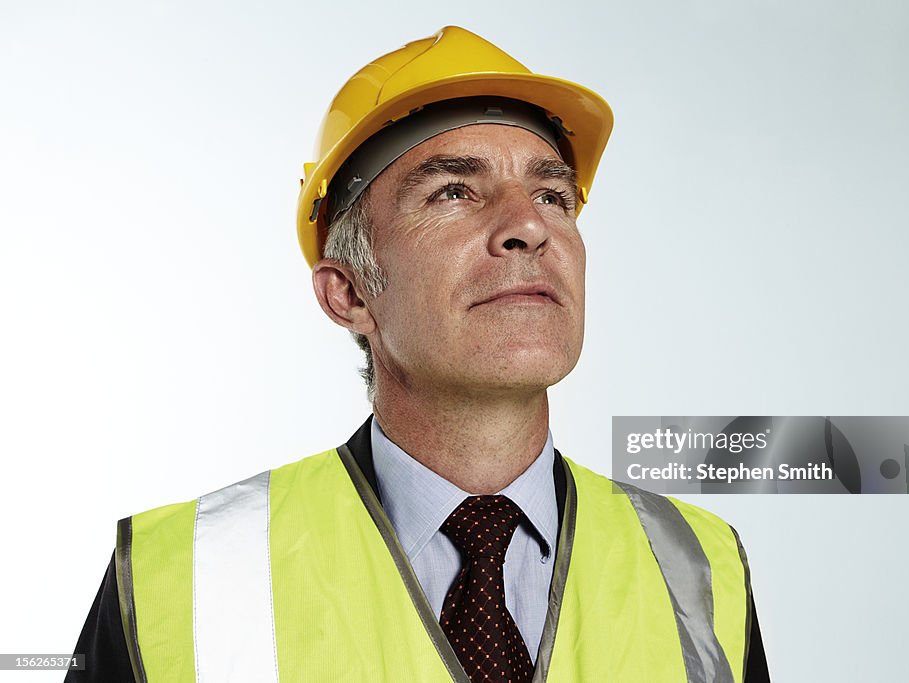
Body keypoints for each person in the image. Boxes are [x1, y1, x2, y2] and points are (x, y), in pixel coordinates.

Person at [69, 26, 770, 682]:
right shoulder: (177, 578)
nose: (528, 224)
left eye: (553, 194)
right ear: (348, 294)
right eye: (454, 191)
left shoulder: (697, 568)